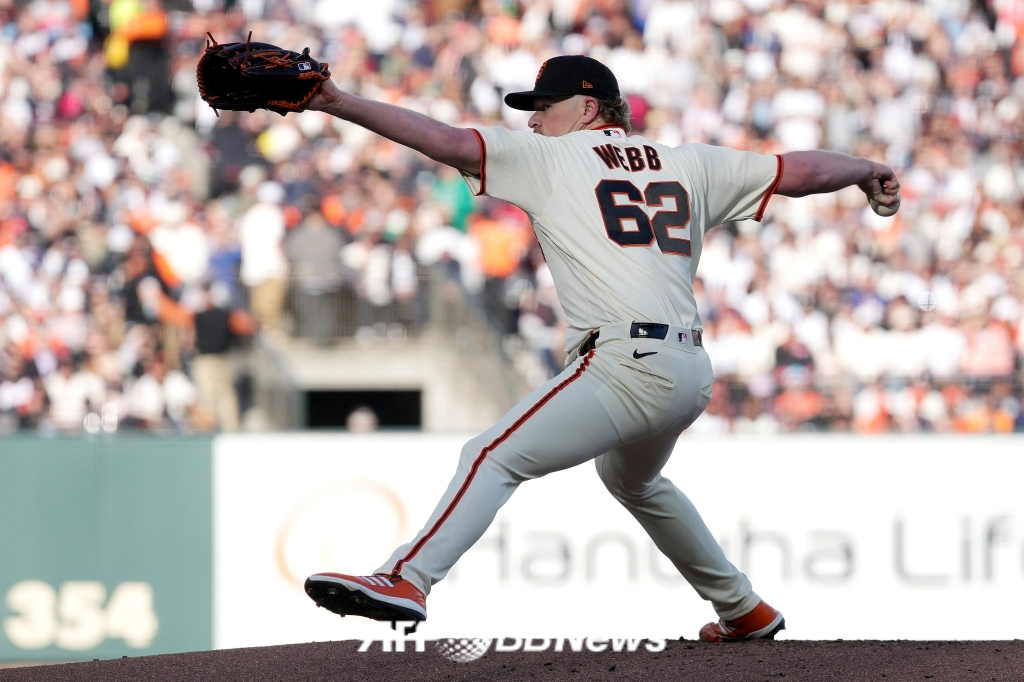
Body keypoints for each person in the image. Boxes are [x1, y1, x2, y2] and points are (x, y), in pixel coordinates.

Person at [302, 55, 900, 641]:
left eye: (544, 107)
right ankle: (742, 607)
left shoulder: (551, 158)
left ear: (588, 107)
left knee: (491, 456)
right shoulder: (689, 162)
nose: (533, 121)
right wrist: (865, 169)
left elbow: (447, 142)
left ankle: (407, 578)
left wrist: (338, 102)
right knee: (632, 480)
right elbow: (798, 172)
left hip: (625, 364)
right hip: (689, 371)